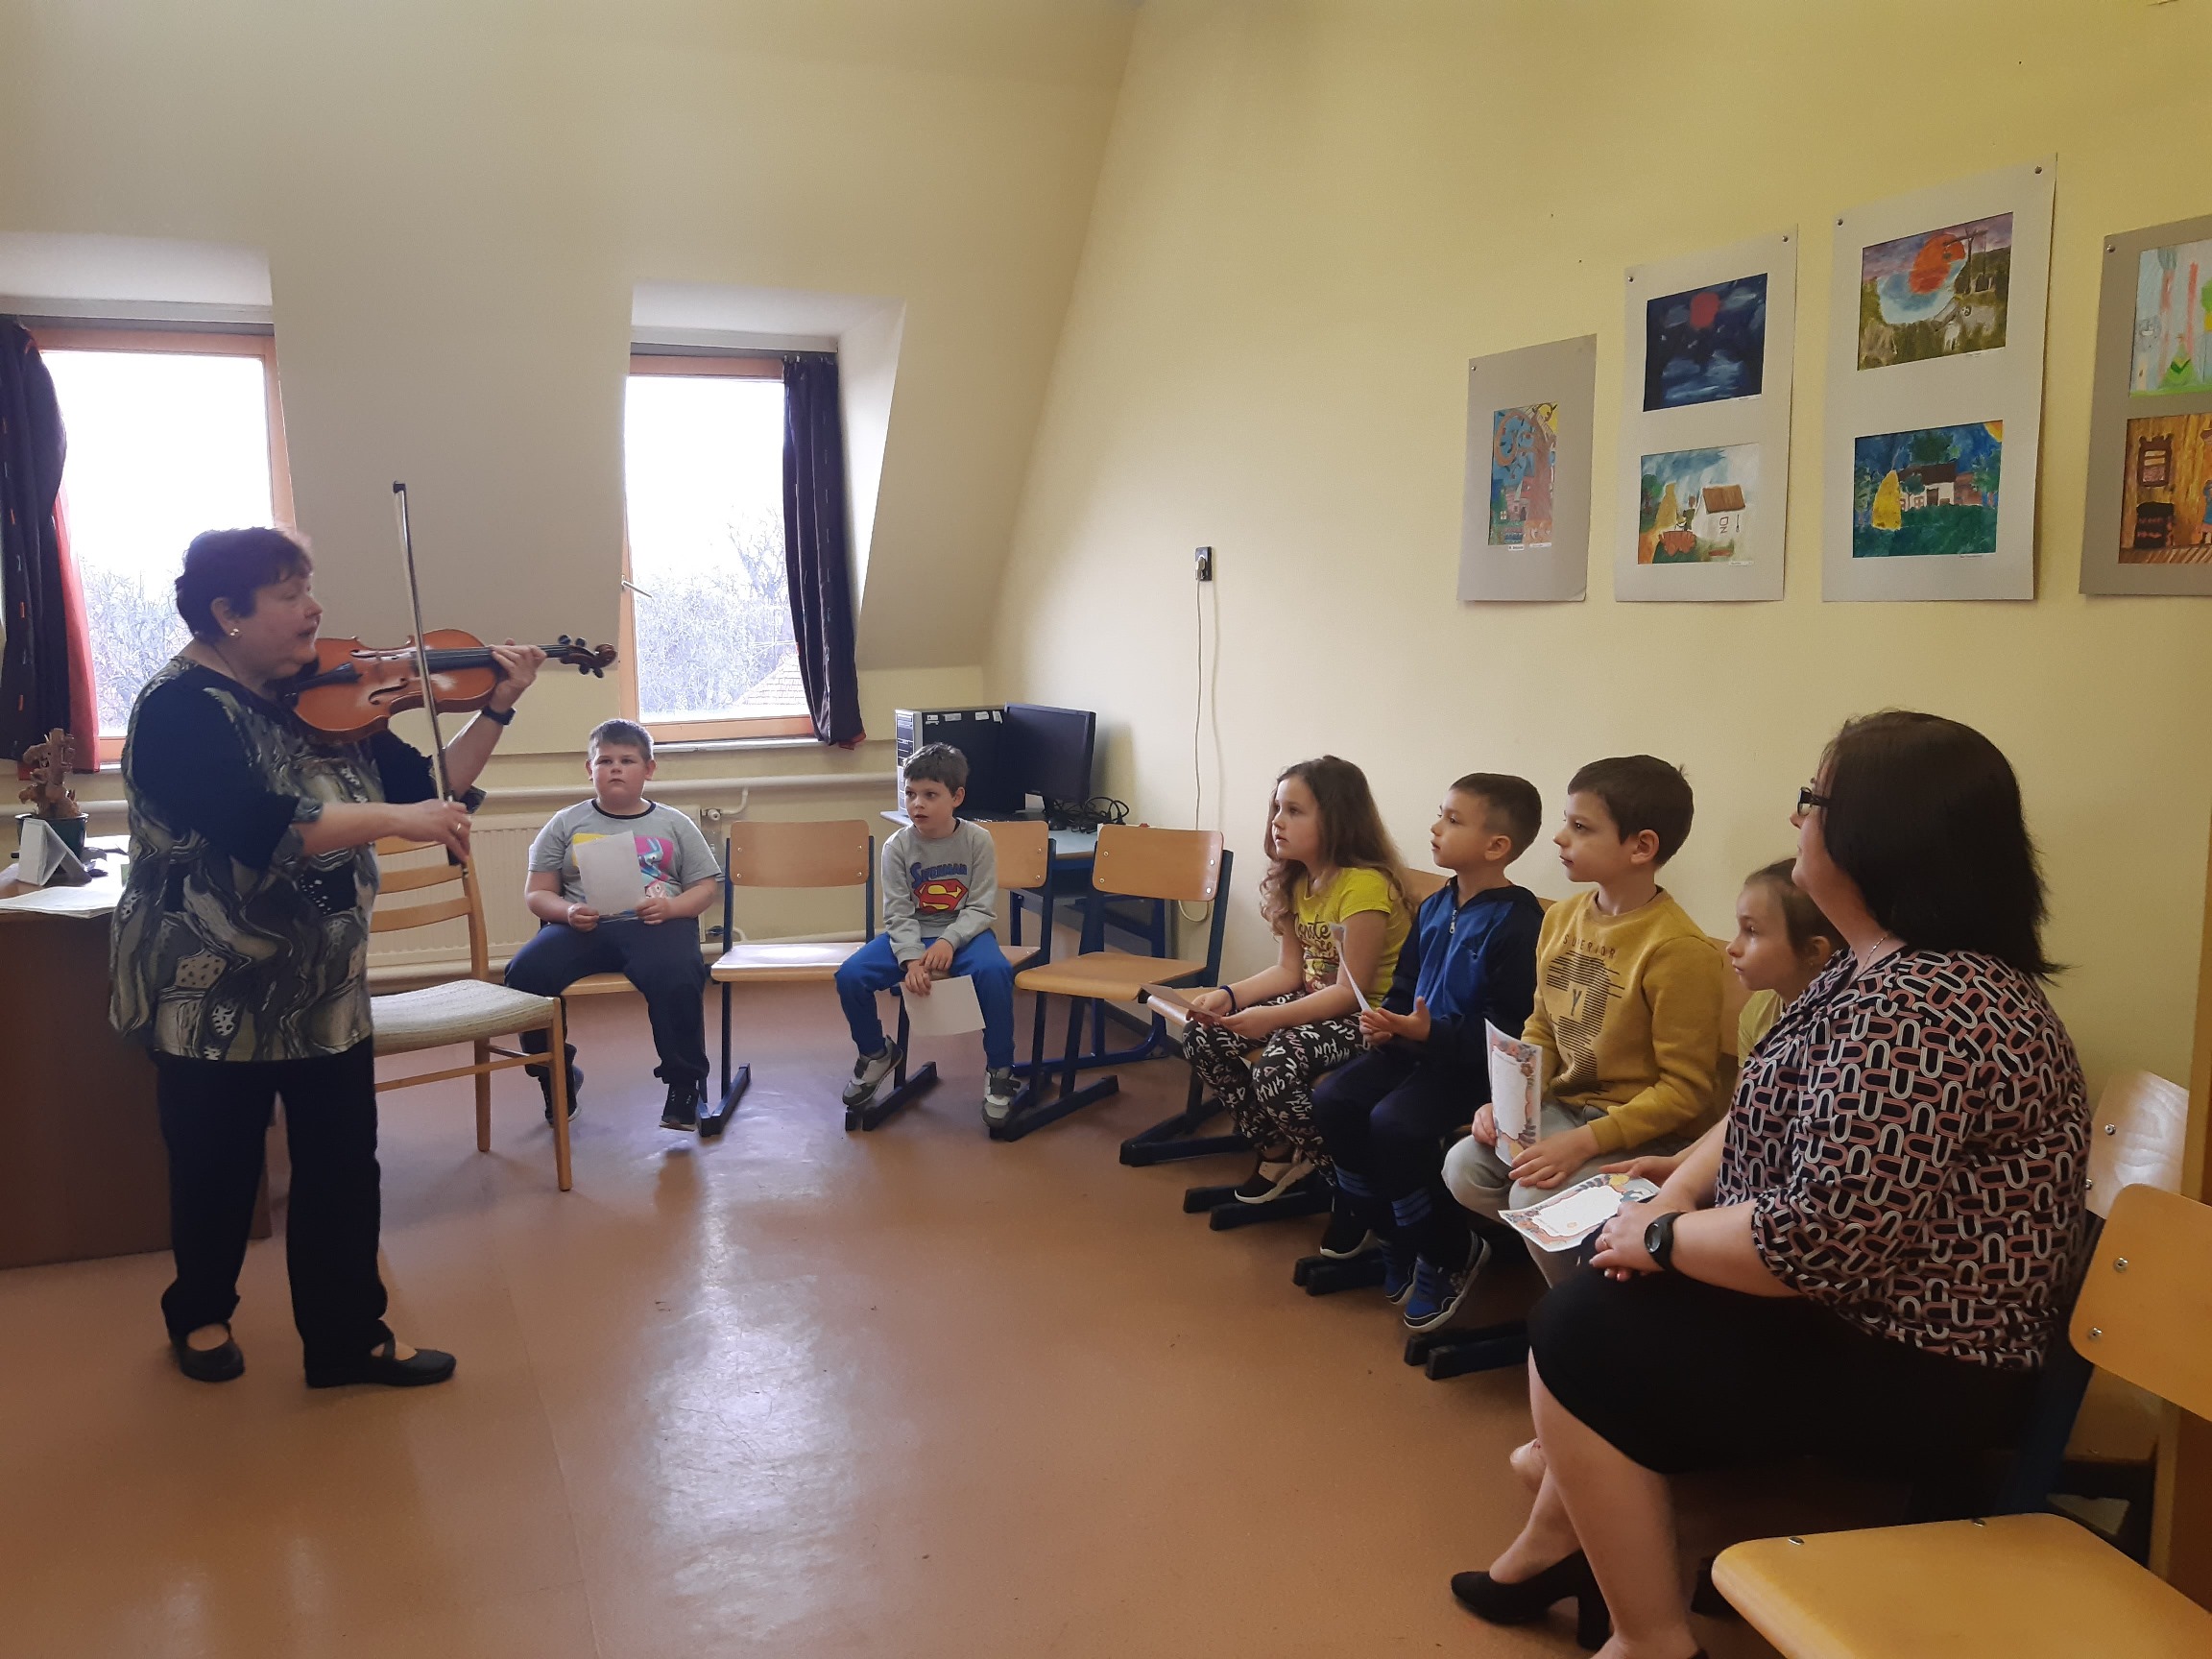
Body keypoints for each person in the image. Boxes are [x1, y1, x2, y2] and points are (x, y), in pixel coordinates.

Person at [1455, 711, 2090, 1659]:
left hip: (1924, 1359)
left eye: (1813, 799)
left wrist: (1661, 1238)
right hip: (1852, 1303)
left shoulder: (1927, 1005)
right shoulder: (1877, 968)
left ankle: (1649, 1637)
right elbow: (1757, 1101)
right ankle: (1559, 1542)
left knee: (1583, 1326)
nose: (1798, 820)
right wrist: (1674, 1192)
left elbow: (1811, 1244)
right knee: (1600, 1297)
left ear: (1878, 832)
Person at [111, 527, 542, 1388]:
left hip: (323, 987)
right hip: (207, 984)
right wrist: (397, 821)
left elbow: (434, 790)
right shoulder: (178, 710)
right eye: (289, 593)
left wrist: (498, 707)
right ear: (227, 613)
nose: (314, 610)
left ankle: (348, 1339)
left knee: (343, 1167)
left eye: (309, 588)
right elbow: (263, 826)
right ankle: (200, 1314)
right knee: (215, 1166)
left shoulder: (329, 700)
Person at [1506, 858, 1840, 1491]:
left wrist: (1681, 1208)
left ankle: (1583, 1419)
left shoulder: (1841, 1028)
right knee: (1598, 1253)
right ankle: (1580, 1408)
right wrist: (1680, 1171)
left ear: (1816, 952)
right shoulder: (1764, 1013)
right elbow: (1743, 1122)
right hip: (1721, 1189)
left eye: (1751, 932)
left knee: (1605, 1269)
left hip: (1766, 1222)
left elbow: (1794, 1184)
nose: (1732, 947)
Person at [1442, 756, 1727, 1288]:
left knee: (1533, 1195)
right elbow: (1542, 1027)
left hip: (1646, 1138)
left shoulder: (1678, 950)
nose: (1559, 838)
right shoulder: (1561, 917)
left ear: (1641, 847)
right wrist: (1510, 1107)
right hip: (1564, 1111)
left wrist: (1584, 1143)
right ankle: (1580, 1274)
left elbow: (1685, 1092)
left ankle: (1576, 1309)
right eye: (1566, 822)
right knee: (1465, 1167)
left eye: (1580, 827)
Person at [1310, 773, 1545, 1331]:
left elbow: (1510, 1030)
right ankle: (1393, 1232)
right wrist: (1386, 1023)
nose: (1436, 828)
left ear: (1496, 846)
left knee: (1396, 1125)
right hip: (1415, 1050)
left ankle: (1447, 1251)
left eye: (1453, 820)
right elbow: (1406, 984)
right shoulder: (1437, 904)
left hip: (1469, 1069)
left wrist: (1428, 1034)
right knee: (1335, 1098)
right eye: (1441, 814)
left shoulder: (1520, 923)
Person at [1184, 756, 1414, 1203]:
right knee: (1202, 1034)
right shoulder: (1298, 879)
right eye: (1277, 808)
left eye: (1294, 811)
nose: (1277, 821)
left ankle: (1344, 1180)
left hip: (1370, 1019)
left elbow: (1349, 994)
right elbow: (1289, 970)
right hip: (1317, 1006)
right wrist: (1229, 996)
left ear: (1337, 819)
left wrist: (1271, 1019)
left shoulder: (1364, 887)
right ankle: (1275, 1150)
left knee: (1275, 1066)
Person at [505, 719, 721, 1132]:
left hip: (657, 923)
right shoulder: (566, 823)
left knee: (676, 974)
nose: (615, 768)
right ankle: (555, 1074)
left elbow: (705, 888)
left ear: (649, 769)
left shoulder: (674, 823)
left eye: (627, 760)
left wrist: (672, 908)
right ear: (590, 770)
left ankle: (684, 1083)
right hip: (582, 925)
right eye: (605, 761)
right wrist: (567, 911)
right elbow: (537, 893)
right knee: (525, 974)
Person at [836, 743, 1020, 1124]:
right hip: (911, 935)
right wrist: (911, 960)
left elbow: (981, 907)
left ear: (957, 797)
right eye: (910, 793)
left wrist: (949, 941)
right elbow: (897, 912)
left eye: (930, 795)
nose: (917, 804)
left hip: (966, 934)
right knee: (850, 976)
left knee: (995, 972)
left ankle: (1000, 1069)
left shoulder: (978, 840)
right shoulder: (897, 846)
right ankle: (876, 1053)